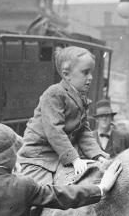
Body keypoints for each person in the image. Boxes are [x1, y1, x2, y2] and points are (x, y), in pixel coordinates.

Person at [15, 46, 108, 185]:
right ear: (66, 74)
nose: (91, 77)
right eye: (85, 72)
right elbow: (54, 131)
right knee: (40, 194)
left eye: (91, 72)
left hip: (60, 156)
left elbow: (83, 131)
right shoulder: (54, 93)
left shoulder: (80, 97)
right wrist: (74, 159)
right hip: (39, 156)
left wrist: (98, 155)